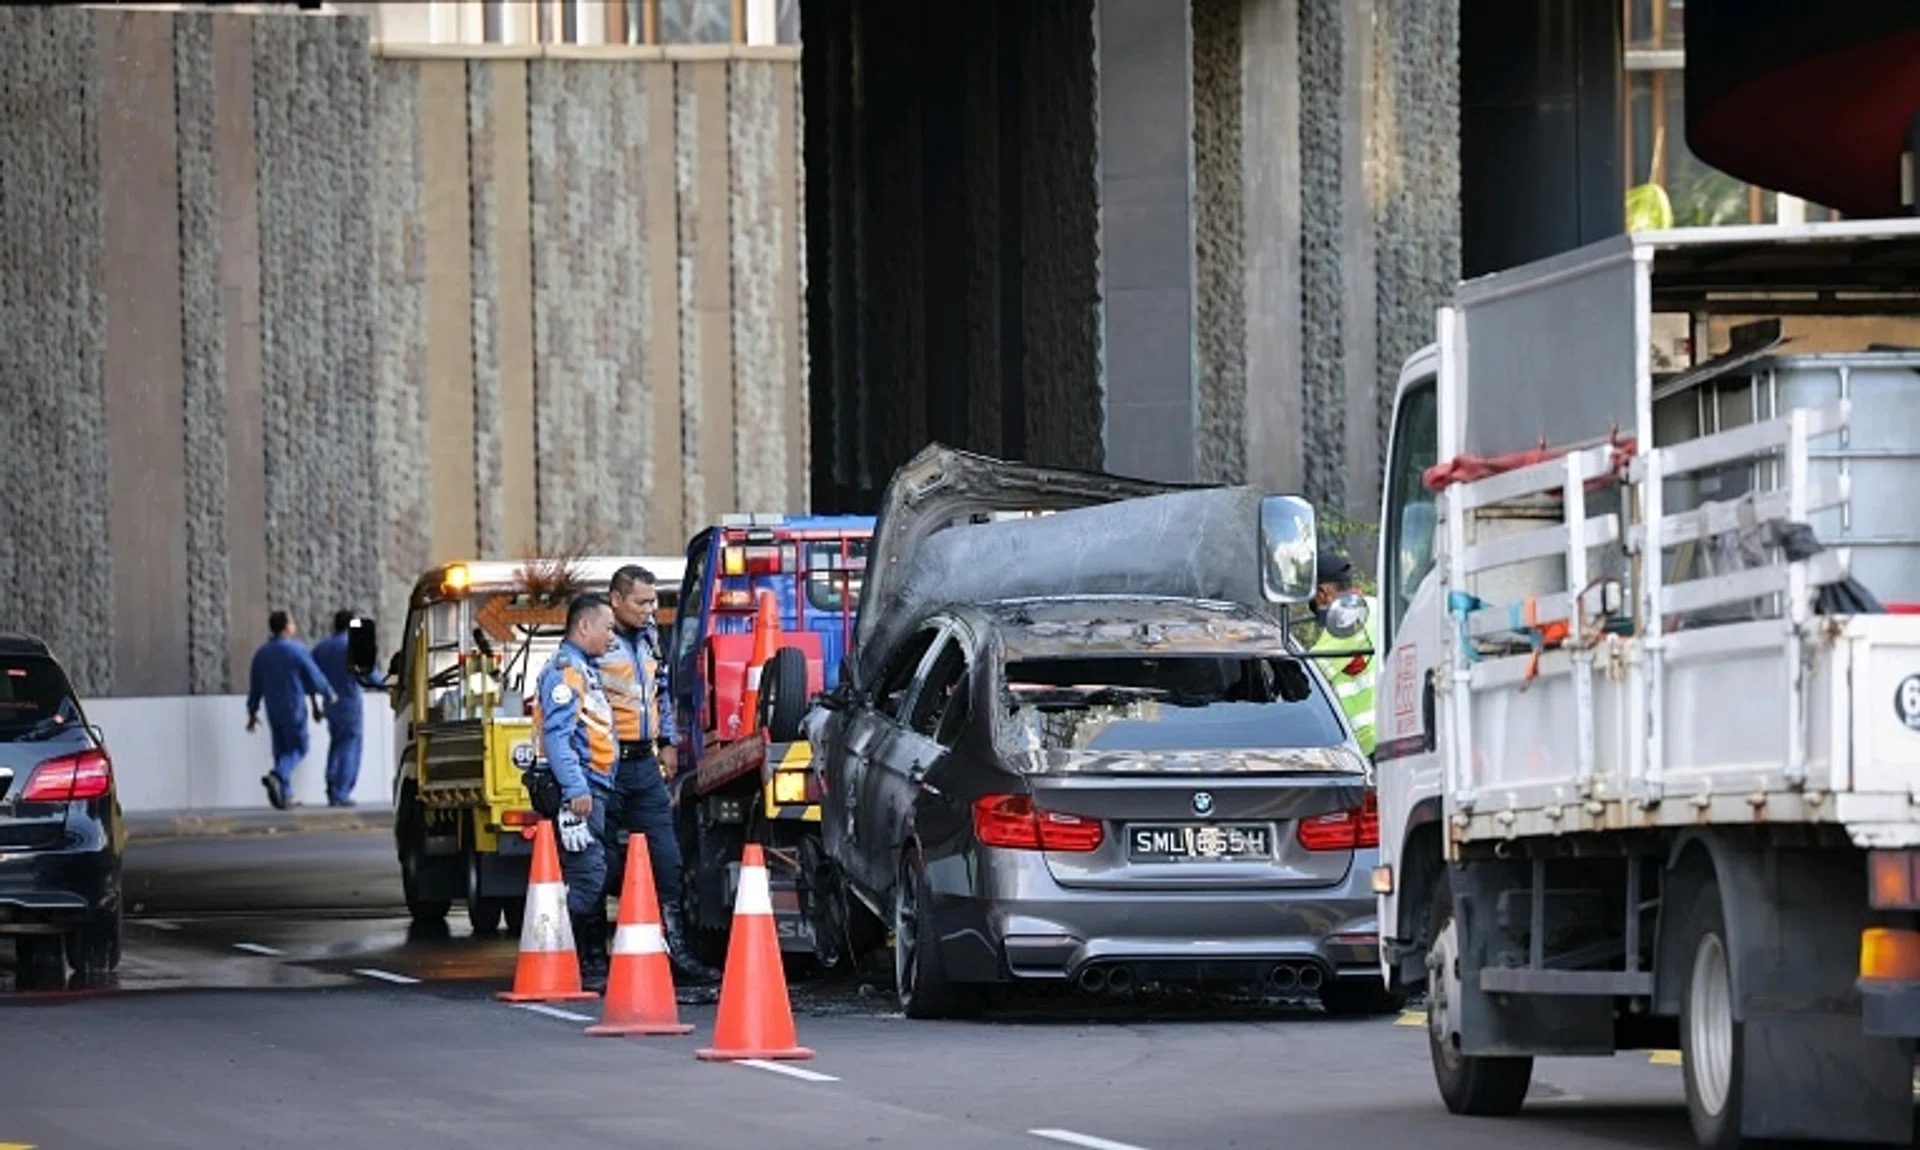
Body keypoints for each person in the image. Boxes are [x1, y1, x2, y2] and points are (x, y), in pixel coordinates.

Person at [603, 565, 718, 986]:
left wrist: (668, 741)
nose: (650, 610)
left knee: (667, 858)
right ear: (616, 599)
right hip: (604, 765)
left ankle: (678, 953)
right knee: (598, 862)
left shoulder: (650, 636)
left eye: (653, 601)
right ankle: (593, 956)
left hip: (643, 764)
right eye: (641, 602)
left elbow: (661, 691)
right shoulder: (597, 639)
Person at [531, 593, 622, 992]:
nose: (612, 636)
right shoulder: (567, 672)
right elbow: (558, 737)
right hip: (582, 789)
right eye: (607, 627)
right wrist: (576, 790)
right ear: (583, 626)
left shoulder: (582, 669)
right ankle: (550, 950)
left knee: (595, 871)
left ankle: (574, 958)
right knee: (588, 876)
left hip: (591, 785)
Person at [246, 609, 337, 810]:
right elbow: (314, 675)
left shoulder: (262, 653)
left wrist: (252, 712)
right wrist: (329, 693)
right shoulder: (296, 650)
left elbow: (255, 685)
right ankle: (278, 775)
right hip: (292, 705)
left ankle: (285, 794)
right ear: (287, 627)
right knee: (299, 747)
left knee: (281, 749)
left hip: (272, 707)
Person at [1309, 549, 1379, 758]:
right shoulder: (1374, 605)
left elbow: (1306, 674)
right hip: (1387, 732)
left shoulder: (1347, 617)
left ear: (1323, 593)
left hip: (1367, 742)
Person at [311, 610, 383, 808]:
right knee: (350, 747)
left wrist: (315, 706)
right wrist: (386, 685)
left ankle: (332, 786)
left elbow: (311, 676)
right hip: (350, 703)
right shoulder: (353, 646)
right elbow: (370, 676)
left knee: (336, 745)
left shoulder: (321, 648)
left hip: (330, 704)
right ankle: (341, 792)